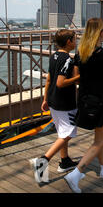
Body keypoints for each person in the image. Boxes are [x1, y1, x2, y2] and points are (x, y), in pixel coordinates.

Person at [64, 18, 103, 193]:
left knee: (99, 135)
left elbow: (80, 77)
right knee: (101, 139)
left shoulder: (80, 54)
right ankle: (76, 173)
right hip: (100, 100)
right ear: (100, 32)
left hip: (84, 99)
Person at [30, 29, 80, 184]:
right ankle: (43, 161)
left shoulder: (54, 56)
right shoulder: (67, 59)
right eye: (74, 39)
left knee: (62, 132)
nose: (76, 41)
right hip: (64, 102)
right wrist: (79, 77)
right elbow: (60, 82)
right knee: (69, 133)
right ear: (68, 42)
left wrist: (45, 99)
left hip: (53, 101)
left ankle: (64, 161)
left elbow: (49, 80)